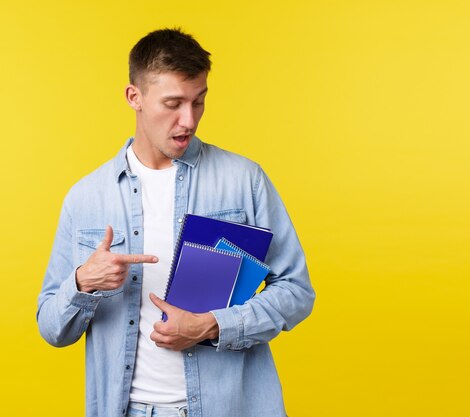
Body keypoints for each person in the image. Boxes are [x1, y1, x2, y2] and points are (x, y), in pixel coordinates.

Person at [37, 28, 315, 417]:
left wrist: (212, 325)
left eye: (198, 102)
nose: (188, 120)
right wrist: (83, 282)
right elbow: (52, 328)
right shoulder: (86, 197)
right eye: (173, 103)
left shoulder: (243, 180)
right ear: (134, 97)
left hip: (228, 407)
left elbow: (297, 291)